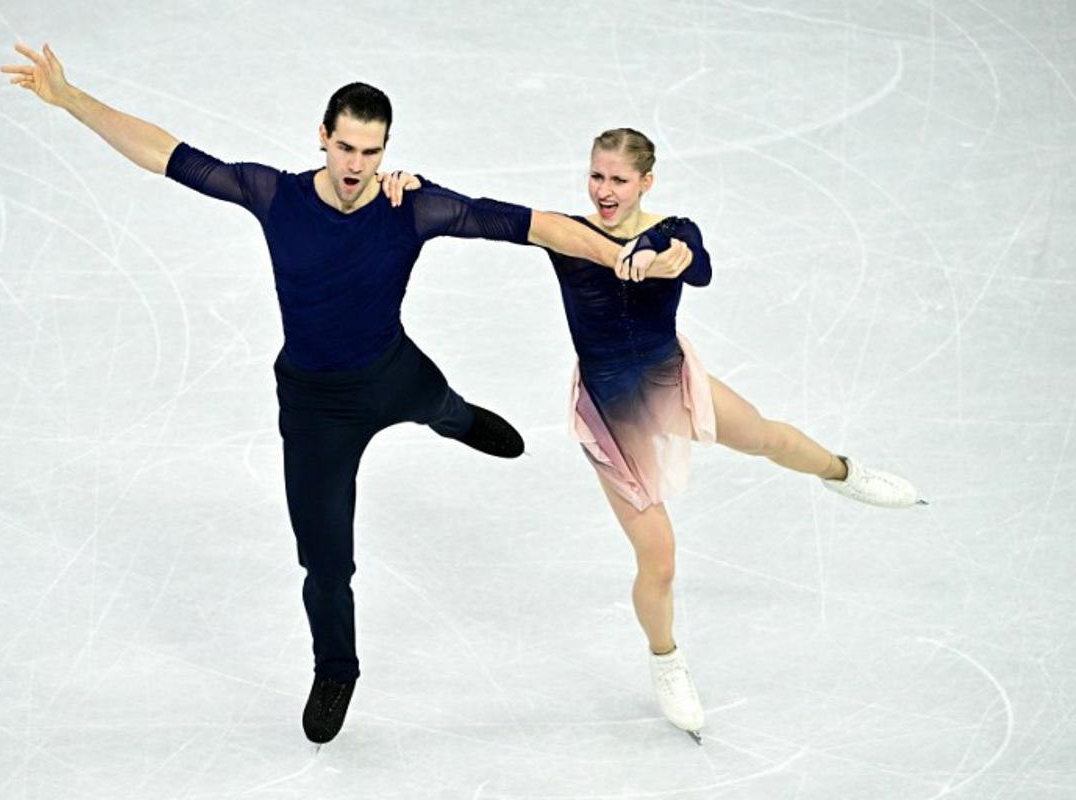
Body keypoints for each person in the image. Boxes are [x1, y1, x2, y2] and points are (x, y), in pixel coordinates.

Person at [0, 44, 688, 745]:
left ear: (387, 148)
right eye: (346, 146)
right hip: (314, 406)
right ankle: (337, 668)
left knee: (439, 403)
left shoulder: (410, 207)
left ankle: (456, 419)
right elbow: (167, 154)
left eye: (371, 150)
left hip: (393, 373)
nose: (357, 165)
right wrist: (72, 98)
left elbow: (533, 225)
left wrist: (621, 255)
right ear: (322, 137)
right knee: (325, 560)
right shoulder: (275, 196)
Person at [382, 128, 925, 746]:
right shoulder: (567, 235)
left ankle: (844, 473)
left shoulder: (674, 230)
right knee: (660, 560)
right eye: (596, 176)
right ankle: (666, 659)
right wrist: (413, 187)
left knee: (768, 438)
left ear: (646, 181)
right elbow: (475, 214)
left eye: (618, 179)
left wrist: (663, 259)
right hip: (612, 418)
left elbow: (696, 265)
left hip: (674, 380)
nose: (604, 190)